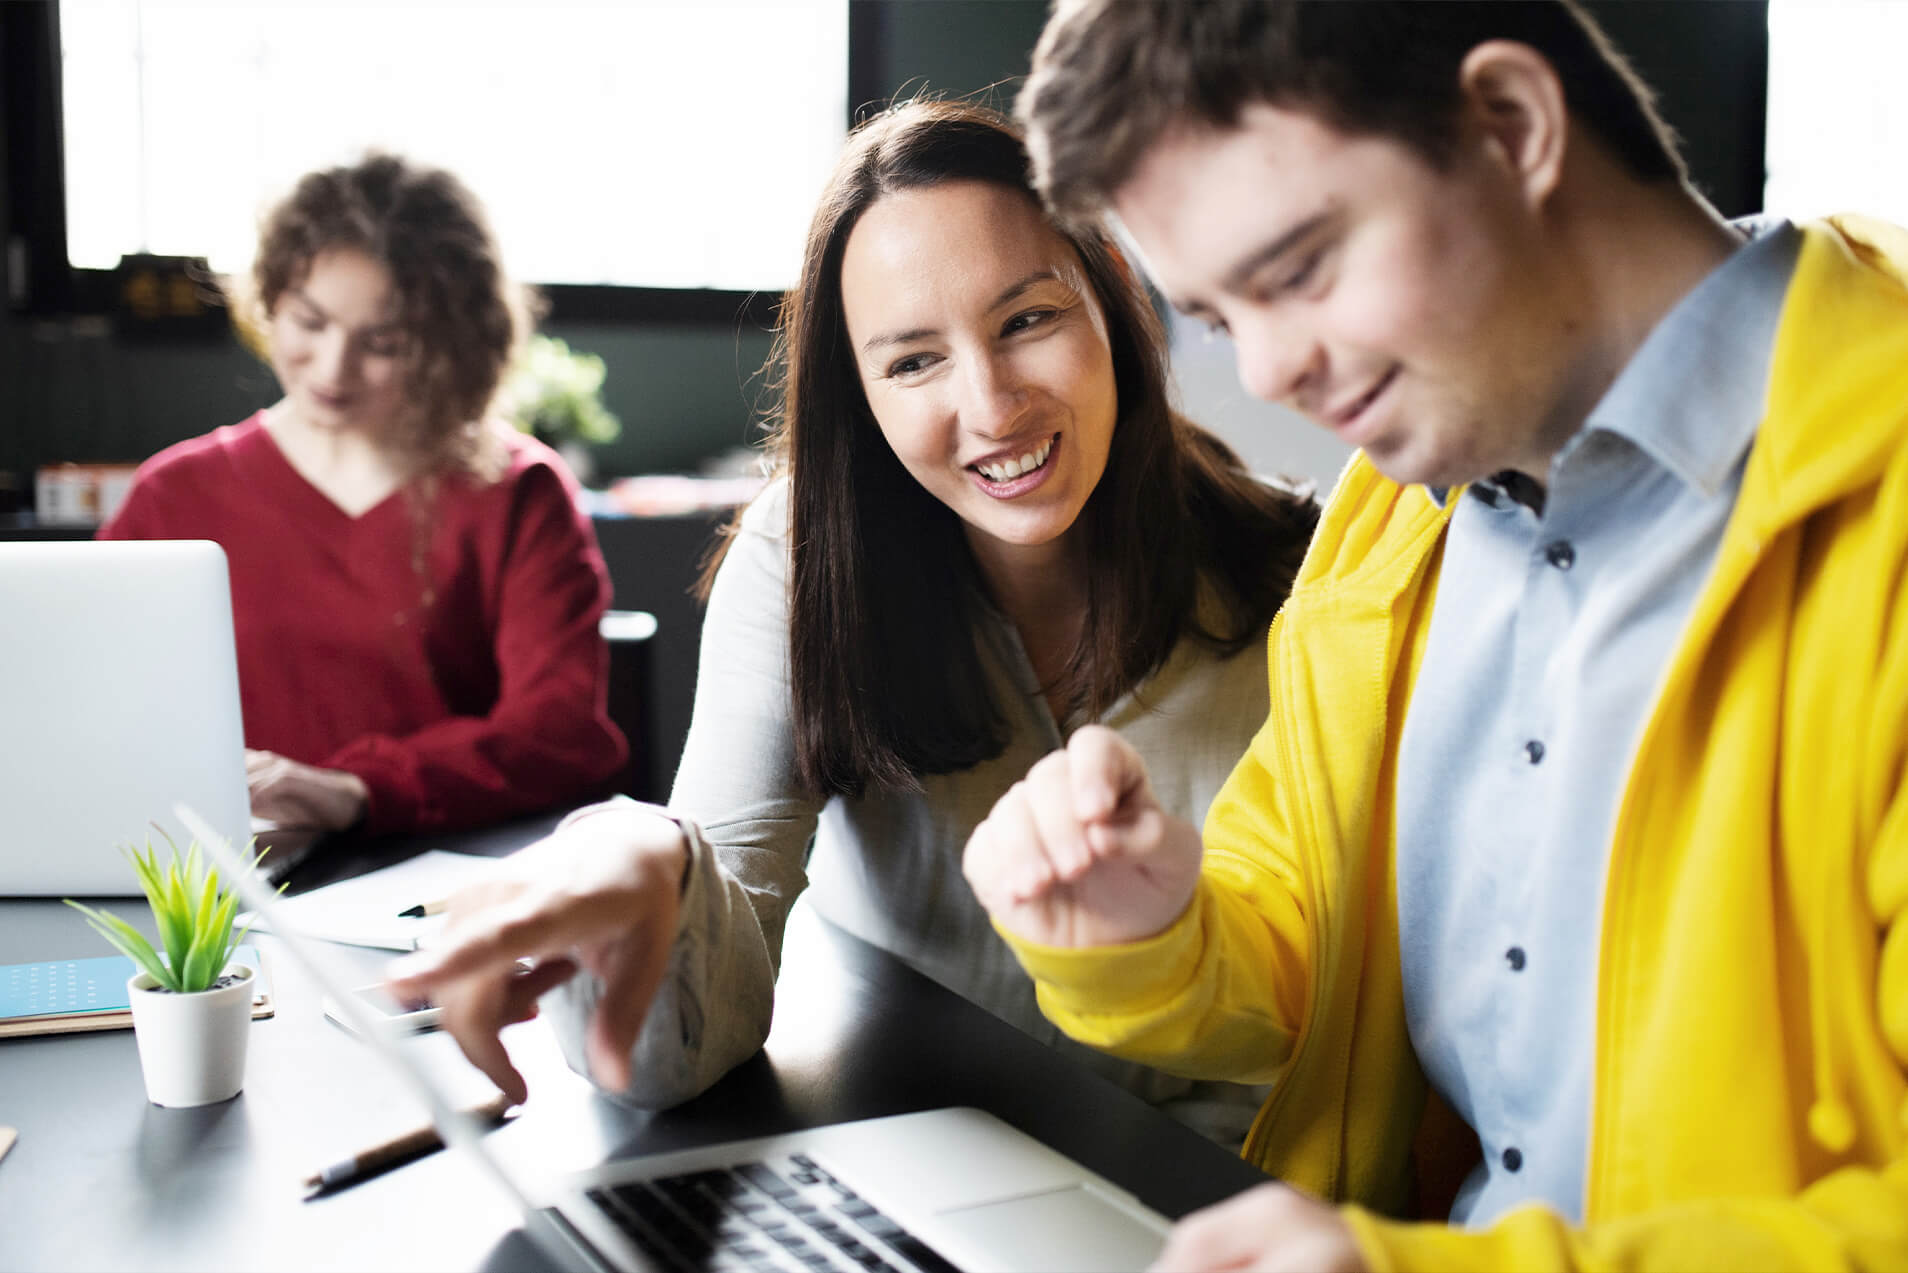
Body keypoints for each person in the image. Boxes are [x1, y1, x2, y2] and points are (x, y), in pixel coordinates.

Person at [959, 1, 1908, 1268]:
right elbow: (1307, 933)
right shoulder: (1394, 514)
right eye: (1224, 321)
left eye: (1295, 270)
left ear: (1512, 126)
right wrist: (1150, 926)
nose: (1270, 376)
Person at [385, 100, 1318, 1147]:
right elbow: (680, 1042)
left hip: (1240, 1201)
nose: (992, 404)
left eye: (1028, 319)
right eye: (914, 361)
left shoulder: (1305, 571)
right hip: (934, 1165)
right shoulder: (803, 557)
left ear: (1110, 297)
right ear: (860, 394)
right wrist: (645, 859)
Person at [101, 154, 625, 836]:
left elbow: (557, 733)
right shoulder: (173, 496)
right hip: (218, 877)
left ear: (449, 345)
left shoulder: (517, 490)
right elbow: (93, 708)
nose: (333, 367)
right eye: (309, 322)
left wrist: (356, 789)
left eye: (383, 342)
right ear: (271, 301)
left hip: (444, 879)